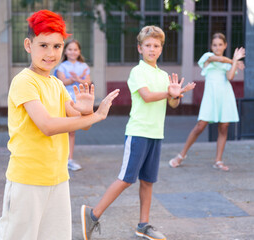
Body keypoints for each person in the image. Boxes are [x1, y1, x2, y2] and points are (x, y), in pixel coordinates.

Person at [0, 10, 119, 240]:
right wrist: (96, 115)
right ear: (28, 44)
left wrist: (86, 109)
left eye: (57, 46)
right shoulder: (24, 80)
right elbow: (48, 125)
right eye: (43, 45)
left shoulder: (56, 84)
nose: (50, 53)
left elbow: (82, 125)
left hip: (58, 177)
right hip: (27, 179)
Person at [80, 25, 196, 240]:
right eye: (148, 45)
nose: (152, 49)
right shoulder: (137, 71)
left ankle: (143, 225)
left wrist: (176, 95)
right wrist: (168, 92)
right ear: (140, 48)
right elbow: (147, 96)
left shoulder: (163, 75)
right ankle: (92, 214)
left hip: (156, 134)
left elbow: (172, 105)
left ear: (161, 49)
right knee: (126, 179)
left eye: (156, 45)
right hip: (138, 132)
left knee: (148, 181)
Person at [168, 33, 245, 171]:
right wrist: (233, 60)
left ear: (225, 45)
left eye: (220, 45)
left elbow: (230, 76)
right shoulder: (207, 57)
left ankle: (218, 160)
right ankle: (181, 155)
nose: (217, 47)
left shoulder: (229, 64)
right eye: (215, 44)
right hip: (210, 97)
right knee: (200, 126)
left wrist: (233, 63)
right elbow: (216, 58)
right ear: (211, 46)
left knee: (223, 127)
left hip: (225, 96)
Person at [56, 39, 91, 171]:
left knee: (72, 131)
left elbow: (87, 82)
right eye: (70, 49)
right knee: (62, 130)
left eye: (75, 49)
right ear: (65, 51)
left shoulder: (84, 66)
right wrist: (76, 79)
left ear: (79, 51)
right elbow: (62, 81)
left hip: (78, 103)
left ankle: (69, 159)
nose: (72, 52)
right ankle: (61, 158)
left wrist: (77, 79)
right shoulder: (61, 66)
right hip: (65, 101)